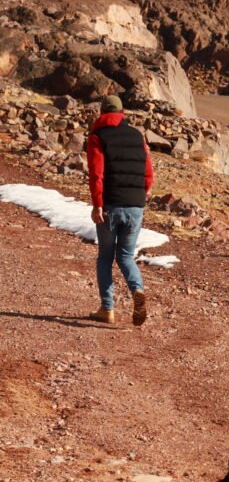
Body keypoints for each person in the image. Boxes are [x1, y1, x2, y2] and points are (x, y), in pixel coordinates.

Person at [85, 95, 153, 325]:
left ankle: (107, 309)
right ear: (123, 112)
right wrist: (144, 192)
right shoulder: (137, 136)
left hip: (110, 205)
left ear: (102, 112)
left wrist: (97, 205)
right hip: (135, 206)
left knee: (105, 256)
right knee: (125, 256)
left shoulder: (97, 136)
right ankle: (137, 291)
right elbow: (148, 171)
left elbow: (96, 173)